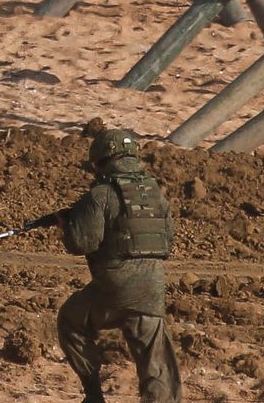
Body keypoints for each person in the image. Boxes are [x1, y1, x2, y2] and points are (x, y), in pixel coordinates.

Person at [56, 128, 182, 403]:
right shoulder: (156, 195)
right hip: (152, 286)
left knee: (70, 320)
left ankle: (93, 395)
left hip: (113, 287)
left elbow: (81, 243)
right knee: (154, 359)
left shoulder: (100, 195)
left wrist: (68, 226)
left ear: (100, 160)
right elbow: (168, 240)